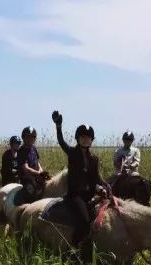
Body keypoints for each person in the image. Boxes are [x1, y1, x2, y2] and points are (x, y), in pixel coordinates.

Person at [52, 110, 110, 256]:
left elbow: (96, 178)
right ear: (78, 138)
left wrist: (106, 185)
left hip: (90, 194)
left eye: (88, 138)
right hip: (75, 195)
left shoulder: (94, 159)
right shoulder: (72, 153)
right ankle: (75, 249)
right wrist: (59, 126)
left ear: (92, 140)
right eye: (83, 137)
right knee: (84, 221)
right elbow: (61, 142)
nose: (85, 140)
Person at [16, 126, 45, 204]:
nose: (31, 138)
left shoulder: (33, 148)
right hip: (26, 179)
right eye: (28, 136)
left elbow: (37, 162)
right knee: (31, 192)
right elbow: (25, 168)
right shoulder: (21, 151)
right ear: (23, 137)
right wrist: (38, 173)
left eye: (33, 136)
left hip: (36, 177)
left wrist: (41, 171)